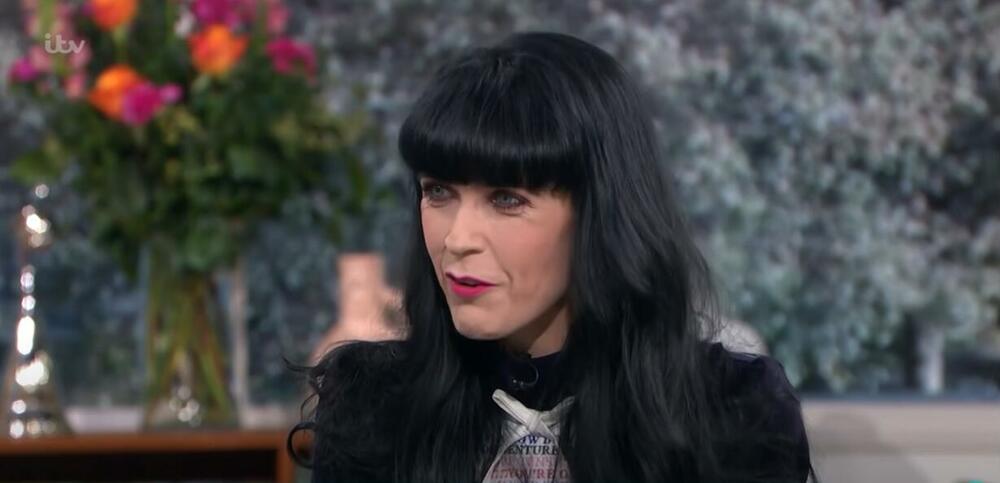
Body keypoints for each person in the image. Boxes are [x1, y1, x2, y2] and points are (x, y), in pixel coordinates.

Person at [288, 31, 817, 483]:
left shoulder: (733, 412)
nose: (457, 239)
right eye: (438, 192)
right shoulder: (372, 408)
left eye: (506, 199)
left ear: (602, 211)